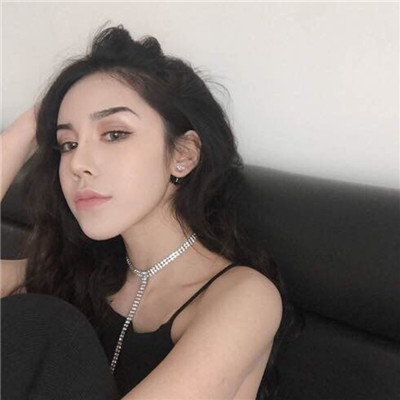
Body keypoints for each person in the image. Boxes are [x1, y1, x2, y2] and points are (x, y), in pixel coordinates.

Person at [1, 24, 301, 399]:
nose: (78, 164)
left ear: (183, 155)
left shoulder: (244, 298)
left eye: (114, 134)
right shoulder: (73, 271)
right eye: (68, 143)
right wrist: (25, 129)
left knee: (45, 325)